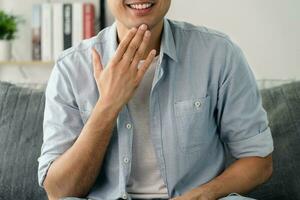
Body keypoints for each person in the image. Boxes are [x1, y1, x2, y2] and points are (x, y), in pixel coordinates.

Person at [38, 0, 274, 199]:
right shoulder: (70, 68)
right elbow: (59, 191)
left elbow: (259, 161)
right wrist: (107, 105)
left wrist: (202, 195)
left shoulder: (219, 54)